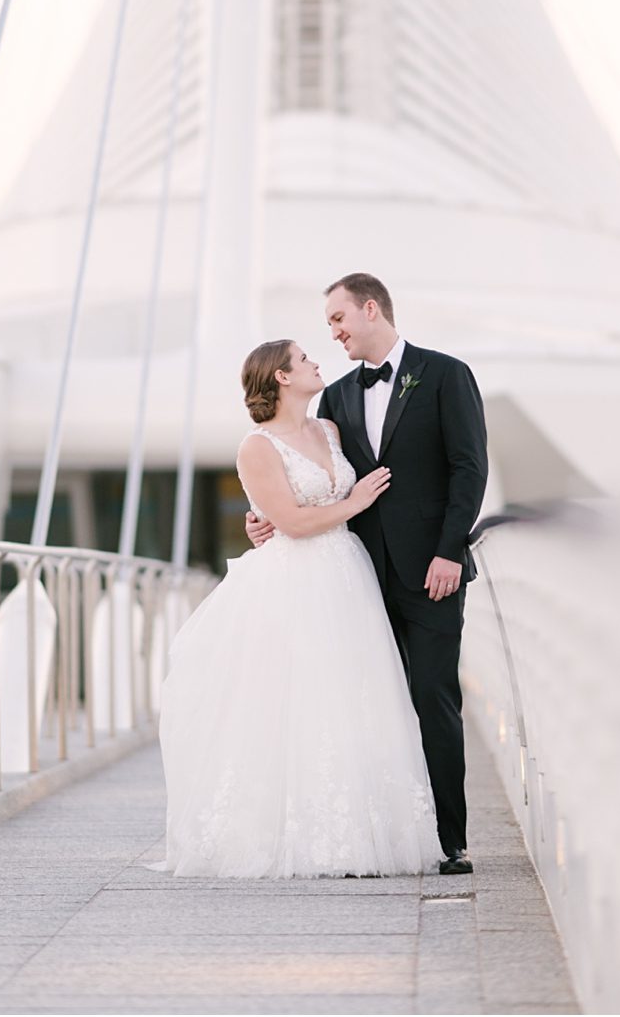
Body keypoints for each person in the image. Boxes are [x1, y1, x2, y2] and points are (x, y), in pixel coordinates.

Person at [153, 338, 441, 879]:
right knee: (296, 700)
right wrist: (352, 503)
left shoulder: (328, 430)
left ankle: (359, 828)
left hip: (346, 575)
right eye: (304, 358)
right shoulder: (256, 447)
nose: (316, 362)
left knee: (353, 696)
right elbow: (290, 521)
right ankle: (293, 836)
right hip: (294, 582)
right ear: (282, 377)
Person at [243, 273, 487, 873]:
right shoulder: (336, 400)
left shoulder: (445, 374)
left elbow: (468, 470)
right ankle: (382, 831)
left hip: (432, 571)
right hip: (356, 576)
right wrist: (265, 520)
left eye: (337, 319)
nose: (333, 333)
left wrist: (449, 552)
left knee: (434, 699)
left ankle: (448, 842)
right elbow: (314, 479)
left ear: (369, 309)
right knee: (370, 704)